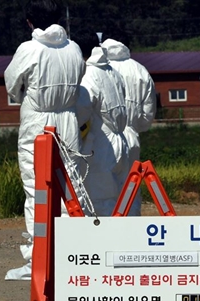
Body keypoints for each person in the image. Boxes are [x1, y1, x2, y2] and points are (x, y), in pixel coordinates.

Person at [3, 0, 85, 281]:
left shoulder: (29, 49)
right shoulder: (73, 48)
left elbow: (12, 84)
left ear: (29, 21)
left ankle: (39, 259)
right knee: (69, 188)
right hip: (68, 122)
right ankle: (69, 255)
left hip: (38, 121)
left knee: (37, 189)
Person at [75, 31, 129, 217]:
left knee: (99, 203)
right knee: (117, 202)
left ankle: (104, 246)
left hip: (100, 145)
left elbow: (82, 112)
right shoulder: (112, 72)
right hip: (120, 142)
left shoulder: (88, 74)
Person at [101, 37, 157, 216]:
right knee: (131, 190)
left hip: (104, 138)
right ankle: (131, 238)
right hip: (131, 136)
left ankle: (106, 238)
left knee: (104, 191)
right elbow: (148, 113)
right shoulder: (140, 70)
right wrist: (134, 128)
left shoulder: (98, 69)